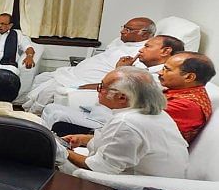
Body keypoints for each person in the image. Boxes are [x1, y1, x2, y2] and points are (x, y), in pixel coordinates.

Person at [60, 67, 188, 178]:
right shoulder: (156, 113)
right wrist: (83, 139)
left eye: (101, 87)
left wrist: (62, 151)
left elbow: (101, 168)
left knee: (51, 158)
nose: (98, 91)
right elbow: (119, 143)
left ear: (122, 97)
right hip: (151, 176)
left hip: (136, 185)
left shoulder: (126, 122)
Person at [41, 35, 186, 132]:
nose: (141, 49)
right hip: (105, 112)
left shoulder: (158, 78)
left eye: (147, 46)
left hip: (115, 121)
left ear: (166, 51)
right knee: (51, 108)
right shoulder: (145, 69)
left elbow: (122, 94)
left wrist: (121, 70)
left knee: (56, 115)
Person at [24, 17, 156, 114]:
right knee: (42, 78)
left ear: (144, 34)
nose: (122, 31)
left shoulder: (140, 52)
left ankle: (32, 116)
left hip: (90, 79)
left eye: (128, 29)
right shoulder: (119, 41)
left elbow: (126, 80)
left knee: (49, 90)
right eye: (123, 27)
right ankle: (25, 111)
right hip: (76, 72)